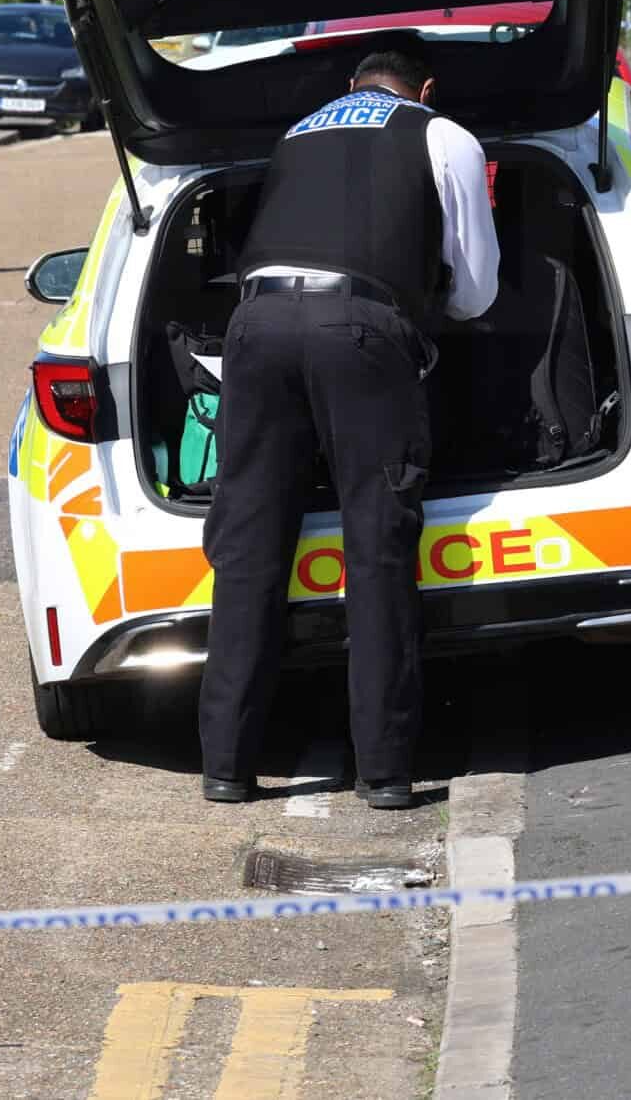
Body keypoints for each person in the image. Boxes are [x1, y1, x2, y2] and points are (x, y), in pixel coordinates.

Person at [197, 41, 498, 811]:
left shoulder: (297, 132)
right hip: (359, 329)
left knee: (250, 546)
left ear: (351, 87)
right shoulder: (441, 133)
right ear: (424, 88)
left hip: (255, 329)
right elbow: (476, 289)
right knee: (376, 546)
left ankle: (227, 765)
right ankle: (387, 772)